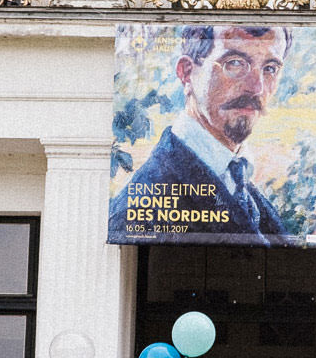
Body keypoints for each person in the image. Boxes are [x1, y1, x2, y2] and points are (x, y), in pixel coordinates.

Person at [109, 24, 296, 245]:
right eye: (234, 63)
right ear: (187, 73)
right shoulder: (138, 207)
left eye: (270, 68)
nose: (257, 87)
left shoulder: (239, 176)